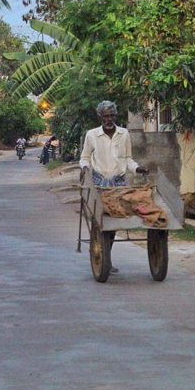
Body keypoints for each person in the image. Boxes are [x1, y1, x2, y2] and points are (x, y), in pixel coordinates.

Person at [79, 101, 148, 272]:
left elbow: (128, 159)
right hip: (99, 183)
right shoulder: (92, 135)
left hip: (119, 183)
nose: (109, 119)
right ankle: (103, 259)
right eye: (106, 116)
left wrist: (137, 168)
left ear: (116, 116)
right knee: (101, 222)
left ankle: (106, 258)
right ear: (100, 117)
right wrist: (85, 168)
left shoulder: (123, 134)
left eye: (112, 115)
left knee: (114, 221)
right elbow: (84, 158)